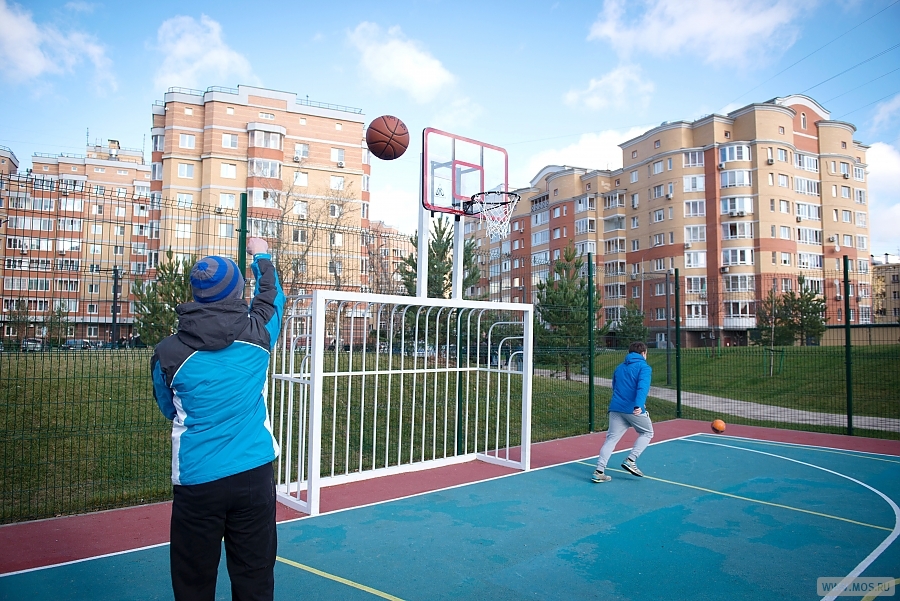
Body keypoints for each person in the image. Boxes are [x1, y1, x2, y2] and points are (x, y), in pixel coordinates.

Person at [151, 238, 285, 601]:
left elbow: (169, 407)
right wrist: (261, 256)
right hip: (253, 474)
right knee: (255, 577)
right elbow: (272, 296)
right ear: (237, 291)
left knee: (193, 582)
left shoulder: (168, 352)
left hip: (198, 481)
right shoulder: (259, 334)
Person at [591, 341, 654, 483]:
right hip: (633, 409)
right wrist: (638, 405)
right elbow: (642, 387)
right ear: (643, 353)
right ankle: (631, 460)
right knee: (647, 433)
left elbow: (615, 386)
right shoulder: (644, 367)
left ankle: (599, 471)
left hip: (616, 408)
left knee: (611, 439)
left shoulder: (619, 368)